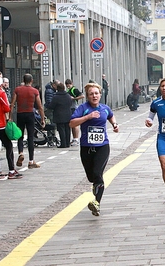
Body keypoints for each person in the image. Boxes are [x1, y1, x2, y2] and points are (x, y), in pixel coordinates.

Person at [69, 82, 119, 216]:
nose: (94, 96)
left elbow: (110, 115)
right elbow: (72, 123)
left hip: (102, 147)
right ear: (87, 96)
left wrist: (114, 124)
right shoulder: (82, 108)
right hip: (86, 147)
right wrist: (87, 117)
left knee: (98, 174)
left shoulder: (105, 108)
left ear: (100, 95)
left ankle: (96, 202)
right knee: (91, 177)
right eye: (91, 94)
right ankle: (96, 188)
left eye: (96, 93)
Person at [9, 73, 45, 169]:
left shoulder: (17, 90)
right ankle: (31, 161)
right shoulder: (34, 91)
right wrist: (42, 118)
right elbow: (40, 106)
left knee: (20, 135)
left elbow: (12, 103)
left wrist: (10, 116)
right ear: (31, 81)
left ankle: (21, 153)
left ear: (23, 80)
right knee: (30, 137)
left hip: (20, 114)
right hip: (30, 114)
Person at [48, 82, 72, 148]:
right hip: (68, 114)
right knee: (67, 129)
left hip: (59, 115)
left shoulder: (56, 97)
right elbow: (70, 103)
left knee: (61, 129)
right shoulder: (68, 96)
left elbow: (51, 106)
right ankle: (67, 143)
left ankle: (63, 144)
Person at [66, 79, 85, 146]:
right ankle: (74, 138)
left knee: (75, 123)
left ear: (72, 83)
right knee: (72, 124)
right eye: (67, 85)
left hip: (74, 108)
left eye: (69, 85)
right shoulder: (69, 90)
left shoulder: (74, 90)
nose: (68, 86)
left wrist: (74, 98)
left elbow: (82, 96)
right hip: (70, 108)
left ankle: (76, 139)